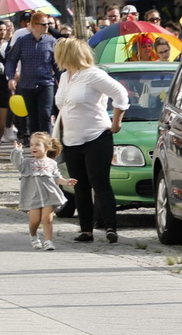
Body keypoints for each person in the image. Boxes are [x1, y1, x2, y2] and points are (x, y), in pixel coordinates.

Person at [51, 37, 129, 244]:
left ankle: (110, 226)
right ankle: (86, 230)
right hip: (71, 139)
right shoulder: (65, 77)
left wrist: (116, 122)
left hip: (96, 136)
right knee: (80, 186)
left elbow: (120, 94)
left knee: (100, 183)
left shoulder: (93, 75)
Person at [18, 130, 76, 249]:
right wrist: (17, 152)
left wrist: (66, 182)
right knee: (35, 221)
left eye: (37, 144)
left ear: (47, 147)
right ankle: (33, 236)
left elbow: (57, 178)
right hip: (33, 197)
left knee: (47, 219)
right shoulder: (27, 163)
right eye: (31, 145)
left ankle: (48, 241)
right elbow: (17, 163)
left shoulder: (52, 163)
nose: (33, 147)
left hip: (49, 196)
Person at [6, 10, 58, 137]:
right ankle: (35, 144)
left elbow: (57, 64)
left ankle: (47, 143)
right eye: (44, 24)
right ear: (34, 25)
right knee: (32, 117)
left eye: (48, 24)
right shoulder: (22, 41)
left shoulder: (51, 41)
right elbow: (11, 60)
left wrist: (62, 79)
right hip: (27, 85)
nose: (47, 27)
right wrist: (11, 77)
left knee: (45, 115)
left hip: (46, 83)